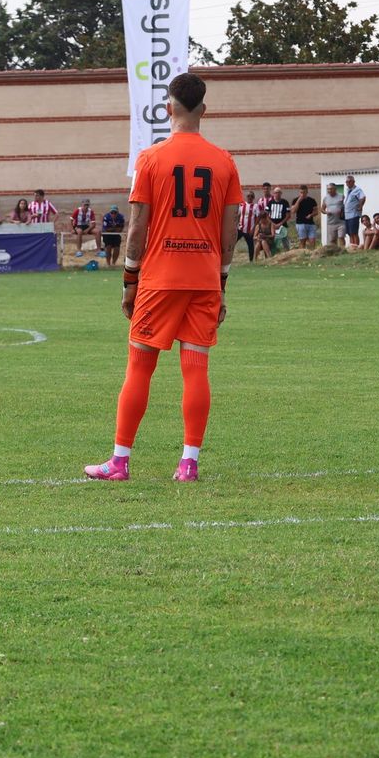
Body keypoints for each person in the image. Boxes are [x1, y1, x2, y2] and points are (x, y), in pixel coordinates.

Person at [84, 71, 240, 484]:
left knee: (139, 367)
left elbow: (137, 227)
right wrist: (221, 284)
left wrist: (129, 281)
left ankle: (120, 461)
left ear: (168, 108)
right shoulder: (224, 161)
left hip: (159, 278)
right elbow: (230, 231)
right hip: (204, 279)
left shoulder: (150, 158)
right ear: (204, 110)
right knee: (196, 369)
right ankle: (188, 463)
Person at [342, 176, 365, 249]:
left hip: (353, 215)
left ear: (353, 182)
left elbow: (363, 197)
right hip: (347, 215)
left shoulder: (357, 189)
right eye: (346, 182)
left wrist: (360, 206)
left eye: (349, 181)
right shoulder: (348, 190)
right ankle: (352, 247)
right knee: (349, 233)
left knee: (354, 233)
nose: (348, 183)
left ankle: (356, 247)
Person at [293, 185, 318, 249]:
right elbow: (293, 211)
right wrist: (298, 201)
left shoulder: (312, 200)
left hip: (311, 223)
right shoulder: (295, 200)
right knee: (303, 242)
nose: (302, 194)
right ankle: (302, 253)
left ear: (307, 192)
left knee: (312, 241)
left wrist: (311, 215)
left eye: (304, 192)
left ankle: (312, 253)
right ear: (299, 192)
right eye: (301, 192)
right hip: (300, 223)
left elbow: (316, 212)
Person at [321, 183, 344, 249]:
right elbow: (322, 209)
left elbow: (346, 206)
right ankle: (334, 251)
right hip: (331, 222)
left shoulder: (341, 196)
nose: (329, 190)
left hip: (341, 221)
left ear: (335, 189)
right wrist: (326, 212)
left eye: (331, 189)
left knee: (341, 237)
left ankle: (343, 251)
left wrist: (342, 211)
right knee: (332, 240)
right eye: (328, 189)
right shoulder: (326, 198)